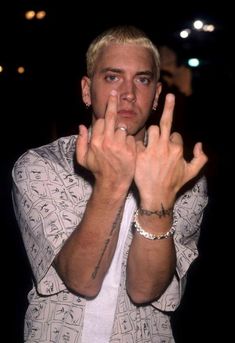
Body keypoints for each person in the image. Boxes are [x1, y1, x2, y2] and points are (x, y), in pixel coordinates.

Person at [12, 25, 208, 343]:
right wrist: (112, 183)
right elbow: (82, 280)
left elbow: (145, 289)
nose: (128, 93)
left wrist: (158, 198)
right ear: (87, 90)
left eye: (142, 79)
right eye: (113, 77)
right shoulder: (42, 165)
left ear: (157, 94)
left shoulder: (182, 177)